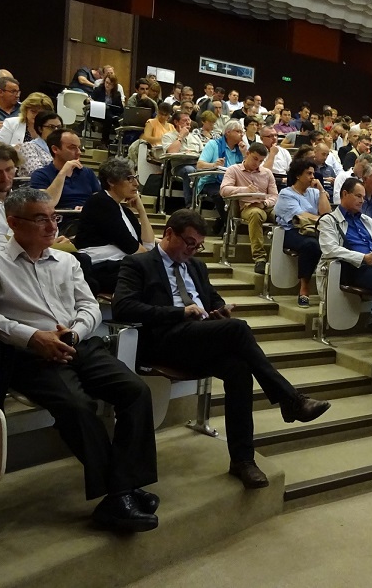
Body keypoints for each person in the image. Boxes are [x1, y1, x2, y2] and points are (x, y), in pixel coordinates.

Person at [0, 188, 159, 531]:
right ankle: (120, 493)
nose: (52, 225)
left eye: (55, 217)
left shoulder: (67, 261)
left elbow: (90, 305)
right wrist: (32, 336)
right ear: (13, 222)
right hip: (29, 355)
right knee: (77, 406)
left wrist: (76, 332)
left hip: (78, 343)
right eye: (41, 218)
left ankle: (121, 487)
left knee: (135, 391)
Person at [112, 209, 330, 490]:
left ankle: (242, 460)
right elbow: (123, 307)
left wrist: (220, 310)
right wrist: (178, 312)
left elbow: (212, 299)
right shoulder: (138, 263)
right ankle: (291, 399)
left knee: (238, 368)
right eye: (189, 243)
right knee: (238, 329)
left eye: (198, 245)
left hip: (197, 339)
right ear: (168, 234)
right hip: (162, 342)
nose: (193, 250)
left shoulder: (197, 267)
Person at [318, 177, 372, 328]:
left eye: (363, 197)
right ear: (345, 194)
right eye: (358, 196)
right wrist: (363, 258)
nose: (362, 201)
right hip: (351, 269)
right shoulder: (328, 220)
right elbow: (330, 249)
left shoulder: (367, 220)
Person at [74, 158, 156, 294]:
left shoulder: (124, 211)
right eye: (129, 179)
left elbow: (148, 244)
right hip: (101, 268)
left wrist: (142, 211)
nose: (136, 184)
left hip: (119, 266)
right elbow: (133, 248)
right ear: (111, 181)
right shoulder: (100, 202)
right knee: (157, 273)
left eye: (136, 177)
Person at [274, 158, 331, 307]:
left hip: (314, 230)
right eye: (309, 173)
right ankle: (304, 289)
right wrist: (321, 219)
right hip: (291, 231)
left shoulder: (314, 192)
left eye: (313, 173)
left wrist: (322, 190)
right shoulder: (286, 193)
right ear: (298, 175)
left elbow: (326, 213)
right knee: (311, 245)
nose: (313, 177)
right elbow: (300, 216)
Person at [219, 142, 278, 274]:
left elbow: (275, 196)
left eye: (261, 161)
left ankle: (280, 256)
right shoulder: (233, 170)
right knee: (256, 214)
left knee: (284, 216)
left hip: (265, 205)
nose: (257, 163)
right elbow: (223, 190)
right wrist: (245, 190)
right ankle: (260, 259)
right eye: (255, 159)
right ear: (247, 154)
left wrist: (264, 203)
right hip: (247, 207)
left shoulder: (267, 173)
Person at [29, 129, 101, 209]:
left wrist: (86, 208)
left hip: (86, 217)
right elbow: (46, 204)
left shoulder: (87, 173)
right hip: (60, 219)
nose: (79, 152)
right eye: (72, 148)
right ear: (55, 149)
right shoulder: (40, 175)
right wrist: (63, 173)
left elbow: (99, 201)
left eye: (79, 148)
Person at [17, 111, 63, 177]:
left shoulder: (62, 148)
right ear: (40, 129)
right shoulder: (28, 147)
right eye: (51, 127)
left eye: (59, 127)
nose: (56, 130)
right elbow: (37, 173)